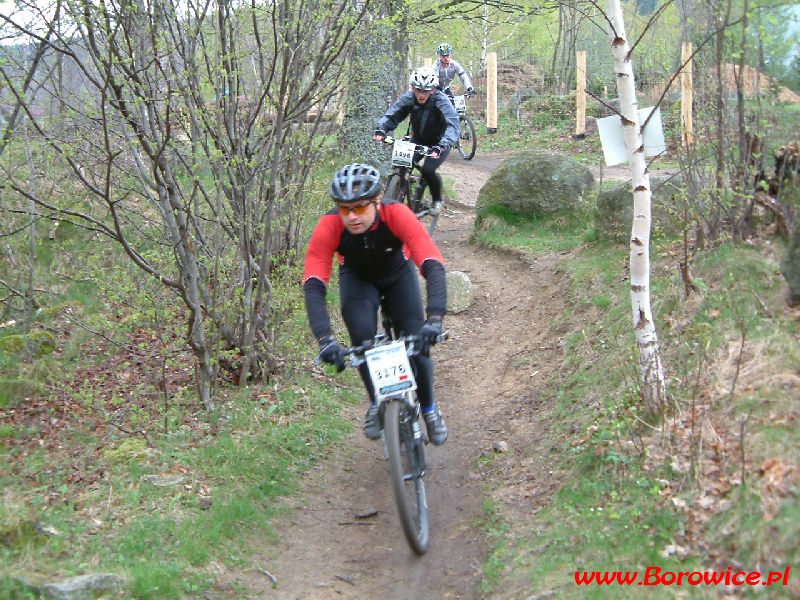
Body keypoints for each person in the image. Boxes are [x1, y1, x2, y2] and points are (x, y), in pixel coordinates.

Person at [302, 163, 449, 445]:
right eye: (345, 209)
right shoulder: (330, 224)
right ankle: (375, 403)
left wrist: (435, 318)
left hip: (398, 275)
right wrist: (325, 339)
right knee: (361, 340)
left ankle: (430, 410)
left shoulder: (397, 214)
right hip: (358, 279)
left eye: (360, 207)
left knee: (417, 340)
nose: (352, 216)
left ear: (377, 201)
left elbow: (431, 263)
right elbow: (313, 282)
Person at [373, 66, 460, 216]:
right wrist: (381, 128)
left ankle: (437, 200)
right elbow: (393, 114)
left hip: (439, 144)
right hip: (418, 140)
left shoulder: (441, 100)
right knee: (400, 164)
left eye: (425, 91)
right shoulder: (409, 97)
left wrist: (442, 145)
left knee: (428, 170)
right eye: (418, 90)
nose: (421, 94)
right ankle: (396, 193)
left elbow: (453, 124)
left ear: (432, 90)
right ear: (413, 87)